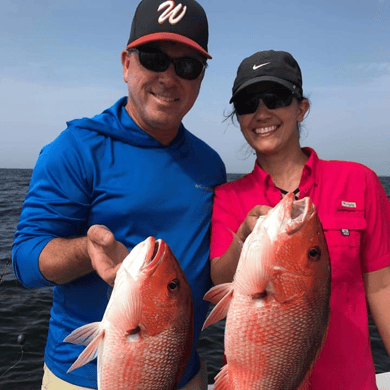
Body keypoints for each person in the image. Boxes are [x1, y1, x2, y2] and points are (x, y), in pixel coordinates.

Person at [12, 0, 226, 389]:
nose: (169, 76)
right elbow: (25, 262)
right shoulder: (76, 148)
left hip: (183, 372)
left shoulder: (210, 165)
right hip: (88, 379)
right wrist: (85, 252)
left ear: (200, 79)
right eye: (153, 58)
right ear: (127, 64)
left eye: (187, 66)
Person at [210, 50, 390, 389]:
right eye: (248, 103)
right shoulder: (228, 196)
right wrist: (241, 239)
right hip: (255, 377)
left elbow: (383, 287)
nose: (261, 112)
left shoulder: (360, 181)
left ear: (300, 107)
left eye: (275, 98)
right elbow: (219, 277)